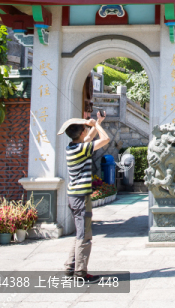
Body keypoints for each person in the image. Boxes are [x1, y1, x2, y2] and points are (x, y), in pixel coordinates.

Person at [63, 112, 110, 281]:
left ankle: (70, 267)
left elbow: (88, 139)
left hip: (74, 196)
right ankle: (80, 273)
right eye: (84, 130)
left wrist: (97, 122)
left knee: (80, 233)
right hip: (81, 197)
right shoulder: (81, 148)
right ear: (81, 133)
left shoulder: (72, 147)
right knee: (85, 235)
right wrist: (97, 126)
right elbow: (105, 140)